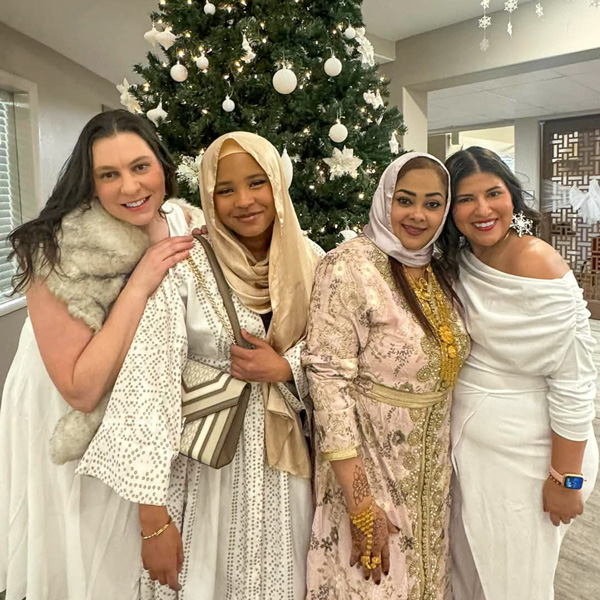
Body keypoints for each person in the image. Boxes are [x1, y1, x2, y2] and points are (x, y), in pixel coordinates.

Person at [77, 131, 323, 599]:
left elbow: (341, 356)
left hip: (288, 473)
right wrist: (152, 521)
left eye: (256, 183)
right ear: (208, 195)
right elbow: (149, 385)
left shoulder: (313, 260)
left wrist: (286, 368)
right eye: (224, 190)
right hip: (207, 471)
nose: (244, 201)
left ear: (277, 182)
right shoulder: (186, 265)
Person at [0, 109, 197, 600]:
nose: (130, 187)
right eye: (109, 174)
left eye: (140, 167)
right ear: (90, 184)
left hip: (140, 420)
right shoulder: (53, 249)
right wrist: (141, 283)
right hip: (69, 421)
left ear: (163, 167)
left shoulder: (180, 218)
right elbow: (82, 389)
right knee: (91, 561)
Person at [303, 152, 470, 599]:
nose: (418, 215)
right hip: (368, 466)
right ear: (385, 200)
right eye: (406, 200)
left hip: (431, 476)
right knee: (373, 583)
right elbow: (328, 386)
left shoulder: (440, 268)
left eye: (433, 204)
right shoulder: (347, 266)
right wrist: (359, 502)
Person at [438, 146, 599, 600]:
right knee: (471, 570)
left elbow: (573, 380)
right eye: (466, 199)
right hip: (471, 452)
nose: (483, 209)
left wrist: (566, 479)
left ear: (512, 195)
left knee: (517, 583)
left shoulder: (536, 261)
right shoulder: (461, 261)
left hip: (529, 459)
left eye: (493, 193)